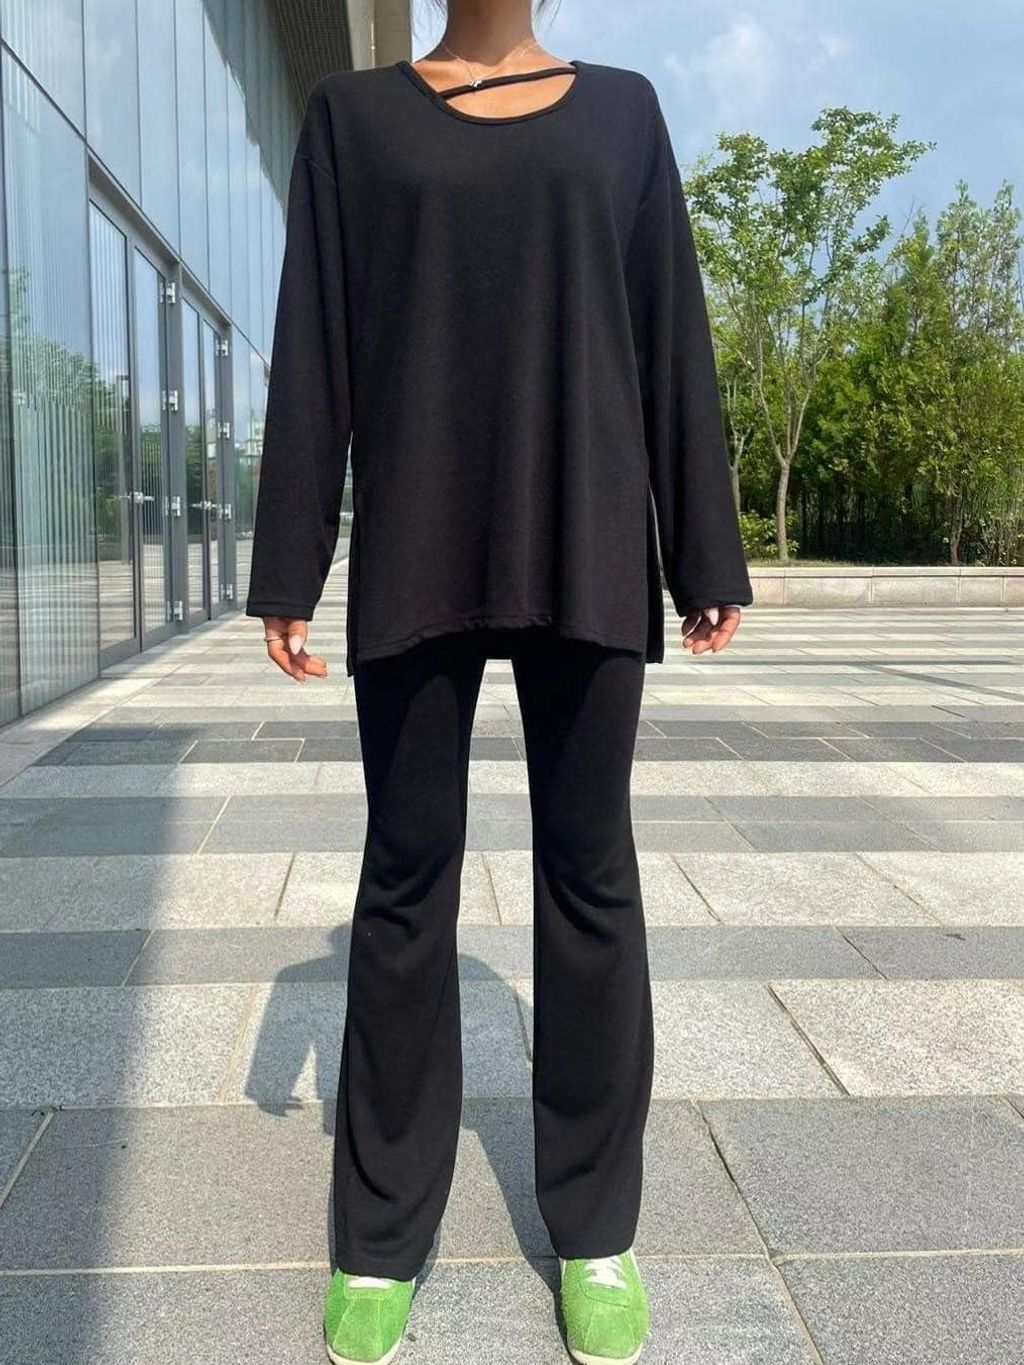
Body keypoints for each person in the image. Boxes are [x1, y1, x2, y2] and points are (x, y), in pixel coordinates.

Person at [245, 3, 752, 1362]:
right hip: (418, 534)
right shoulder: (351, 122)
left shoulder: (624, 112)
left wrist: (705, 546)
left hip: (586, 531)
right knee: (406, 873)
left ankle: (596, 1227)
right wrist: (290, 559)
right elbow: (316, 342)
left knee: (591, 874)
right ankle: (379, 1232)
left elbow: (670, 328)